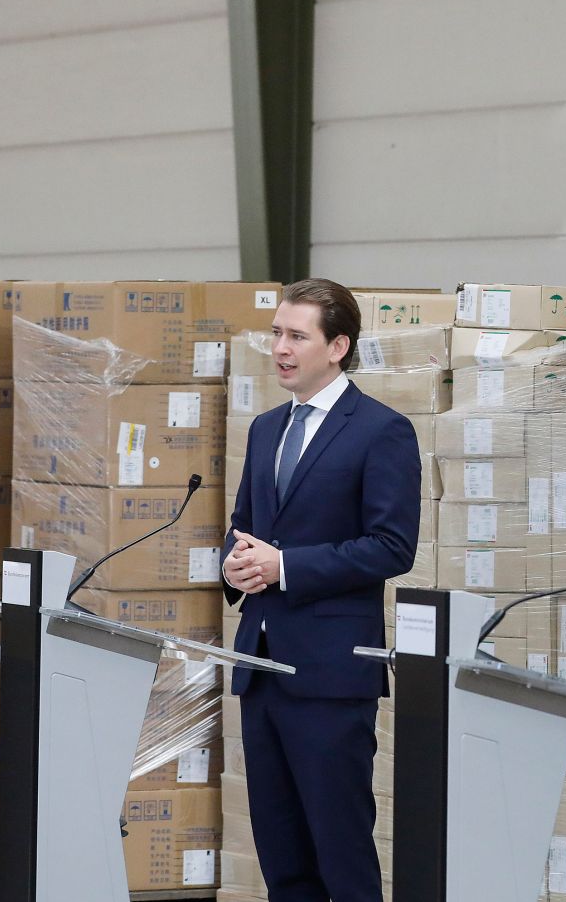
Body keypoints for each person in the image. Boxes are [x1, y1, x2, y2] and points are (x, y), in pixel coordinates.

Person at [221, 277, 421, 902]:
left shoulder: (380, 432)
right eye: (276, 333)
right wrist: (235, 565)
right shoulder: (264, 429)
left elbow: (392, 546)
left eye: (295, 336)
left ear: (337, 346)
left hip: (331, 675)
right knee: (282, 857)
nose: (280, 347)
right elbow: (245, 529)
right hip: (262, 667)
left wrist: (287, 568)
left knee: (340, 850)